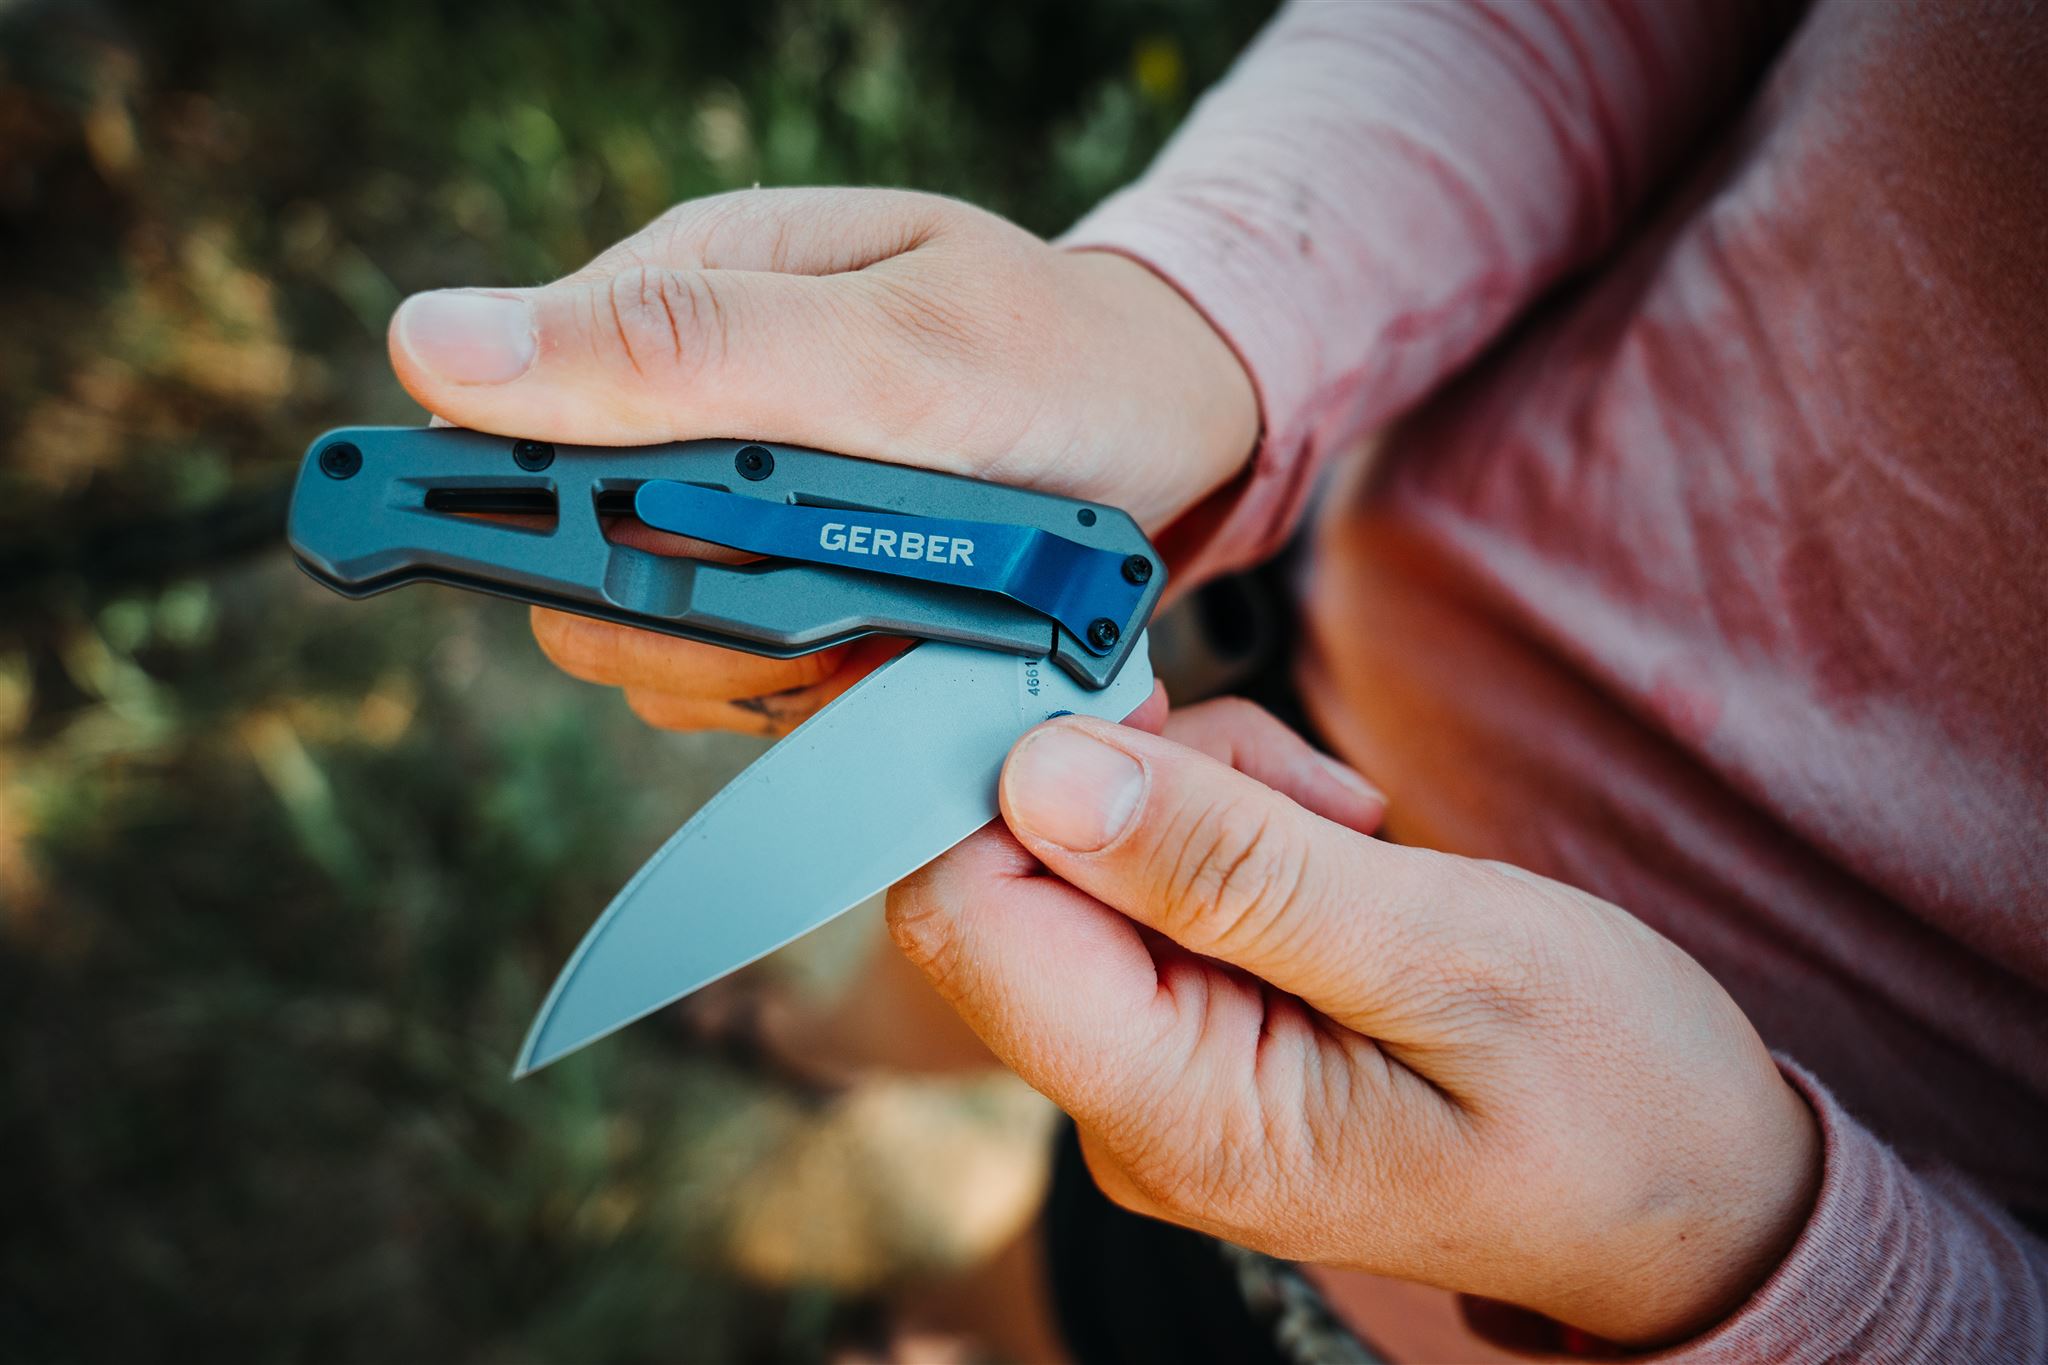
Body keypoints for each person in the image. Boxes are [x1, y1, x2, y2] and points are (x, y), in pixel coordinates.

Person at [382, 0, 2047, 1358]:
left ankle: (935, 1313)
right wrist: (1193, 318)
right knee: (931, 967)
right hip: (1258, 669)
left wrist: (1790, 1282)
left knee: (1062, 1305)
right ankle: (824, 1048)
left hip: (1473, 1232)